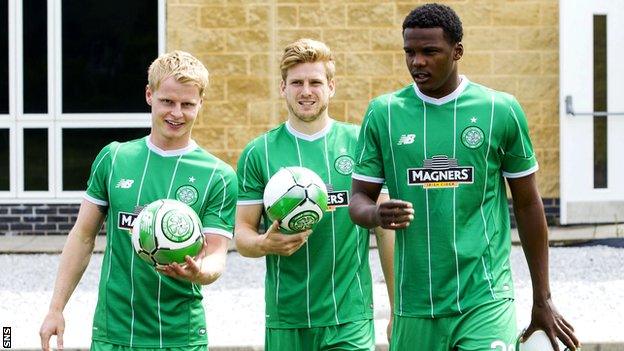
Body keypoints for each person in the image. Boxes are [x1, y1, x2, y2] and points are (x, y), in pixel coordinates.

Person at [348, 4, 580, 351]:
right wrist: (375, 214)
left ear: (457, 51)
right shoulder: (384, 113)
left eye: (429, 52)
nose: (417, 62)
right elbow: (358, 199)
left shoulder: (499, 110)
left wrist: (542, 298)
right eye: (409, 52)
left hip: (485, 297)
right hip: (416, 302)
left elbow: (530, 205)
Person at [39, 51, 237, 350]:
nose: (176, 113)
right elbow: (82, 237)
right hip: (114, 333)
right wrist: (56, 309)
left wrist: (201, 273)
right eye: (167, 101)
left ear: (201, 104)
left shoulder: (218, 175)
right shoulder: (115, 158)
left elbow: (217, 254)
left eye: (187, 104)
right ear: (149, 95)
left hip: (180, 336)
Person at [235, 38, 395, 351]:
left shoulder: (360, 143)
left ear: (331, 86)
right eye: (296, 83)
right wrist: (263, 244)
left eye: (315, 82)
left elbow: (384, 230)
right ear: (283, 88)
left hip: (349, 315)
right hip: (287, 317)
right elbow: (242, 233)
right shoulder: (259, 152)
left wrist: (396, 308)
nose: (306, 91)